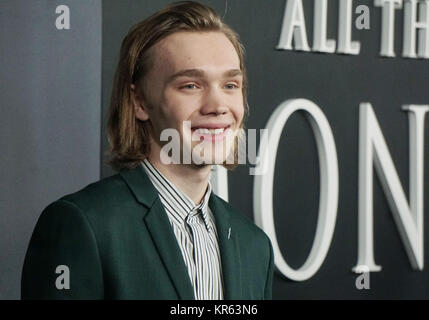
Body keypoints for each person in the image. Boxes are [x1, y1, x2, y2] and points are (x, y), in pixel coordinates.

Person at [21, 1, 274, 300]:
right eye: (191, 85)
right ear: (140, 102)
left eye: (230, 85)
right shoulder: (83, 225)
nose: (218, 106)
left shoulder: (255, 246)